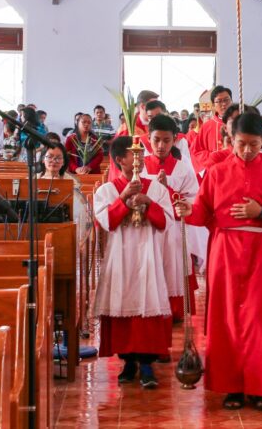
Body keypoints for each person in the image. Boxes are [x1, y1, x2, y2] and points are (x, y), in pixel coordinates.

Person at [175, 112, 262, 411]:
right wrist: (187, 209)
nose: (247, 150)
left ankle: (259, 387)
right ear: (231, 140)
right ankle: (231, 386)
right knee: (226, 317)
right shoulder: (216, 173)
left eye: (254, 144)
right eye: (241, 144)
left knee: (258, 318)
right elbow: (203, 212)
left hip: (259, 250)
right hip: (225, 250)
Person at [93, 136, 174, 388]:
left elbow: (166, 222)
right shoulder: (107, 189)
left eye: (140, 154)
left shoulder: (155, 188)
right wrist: (123, 199)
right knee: (122, 301)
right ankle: (128, 361)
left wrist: (148, 202)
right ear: (120, 160)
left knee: (148, 301)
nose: (139, 159)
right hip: (121, 255)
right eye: (132, 154)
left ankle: (148, 364)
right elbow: (105, 222)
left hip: (148, 253)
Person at [141, 114, 202, 321]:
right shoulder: (139, 165)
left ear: (174, 139)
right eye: (156, 140)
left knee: (173, 266)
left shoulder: (183, 168)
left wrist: (168, 188)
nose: (161, 145)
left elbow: (193, 199)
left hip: (174, 229)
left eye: (166, 140)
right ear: (149, 138)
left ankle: (174, 310)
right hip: (147, 228)